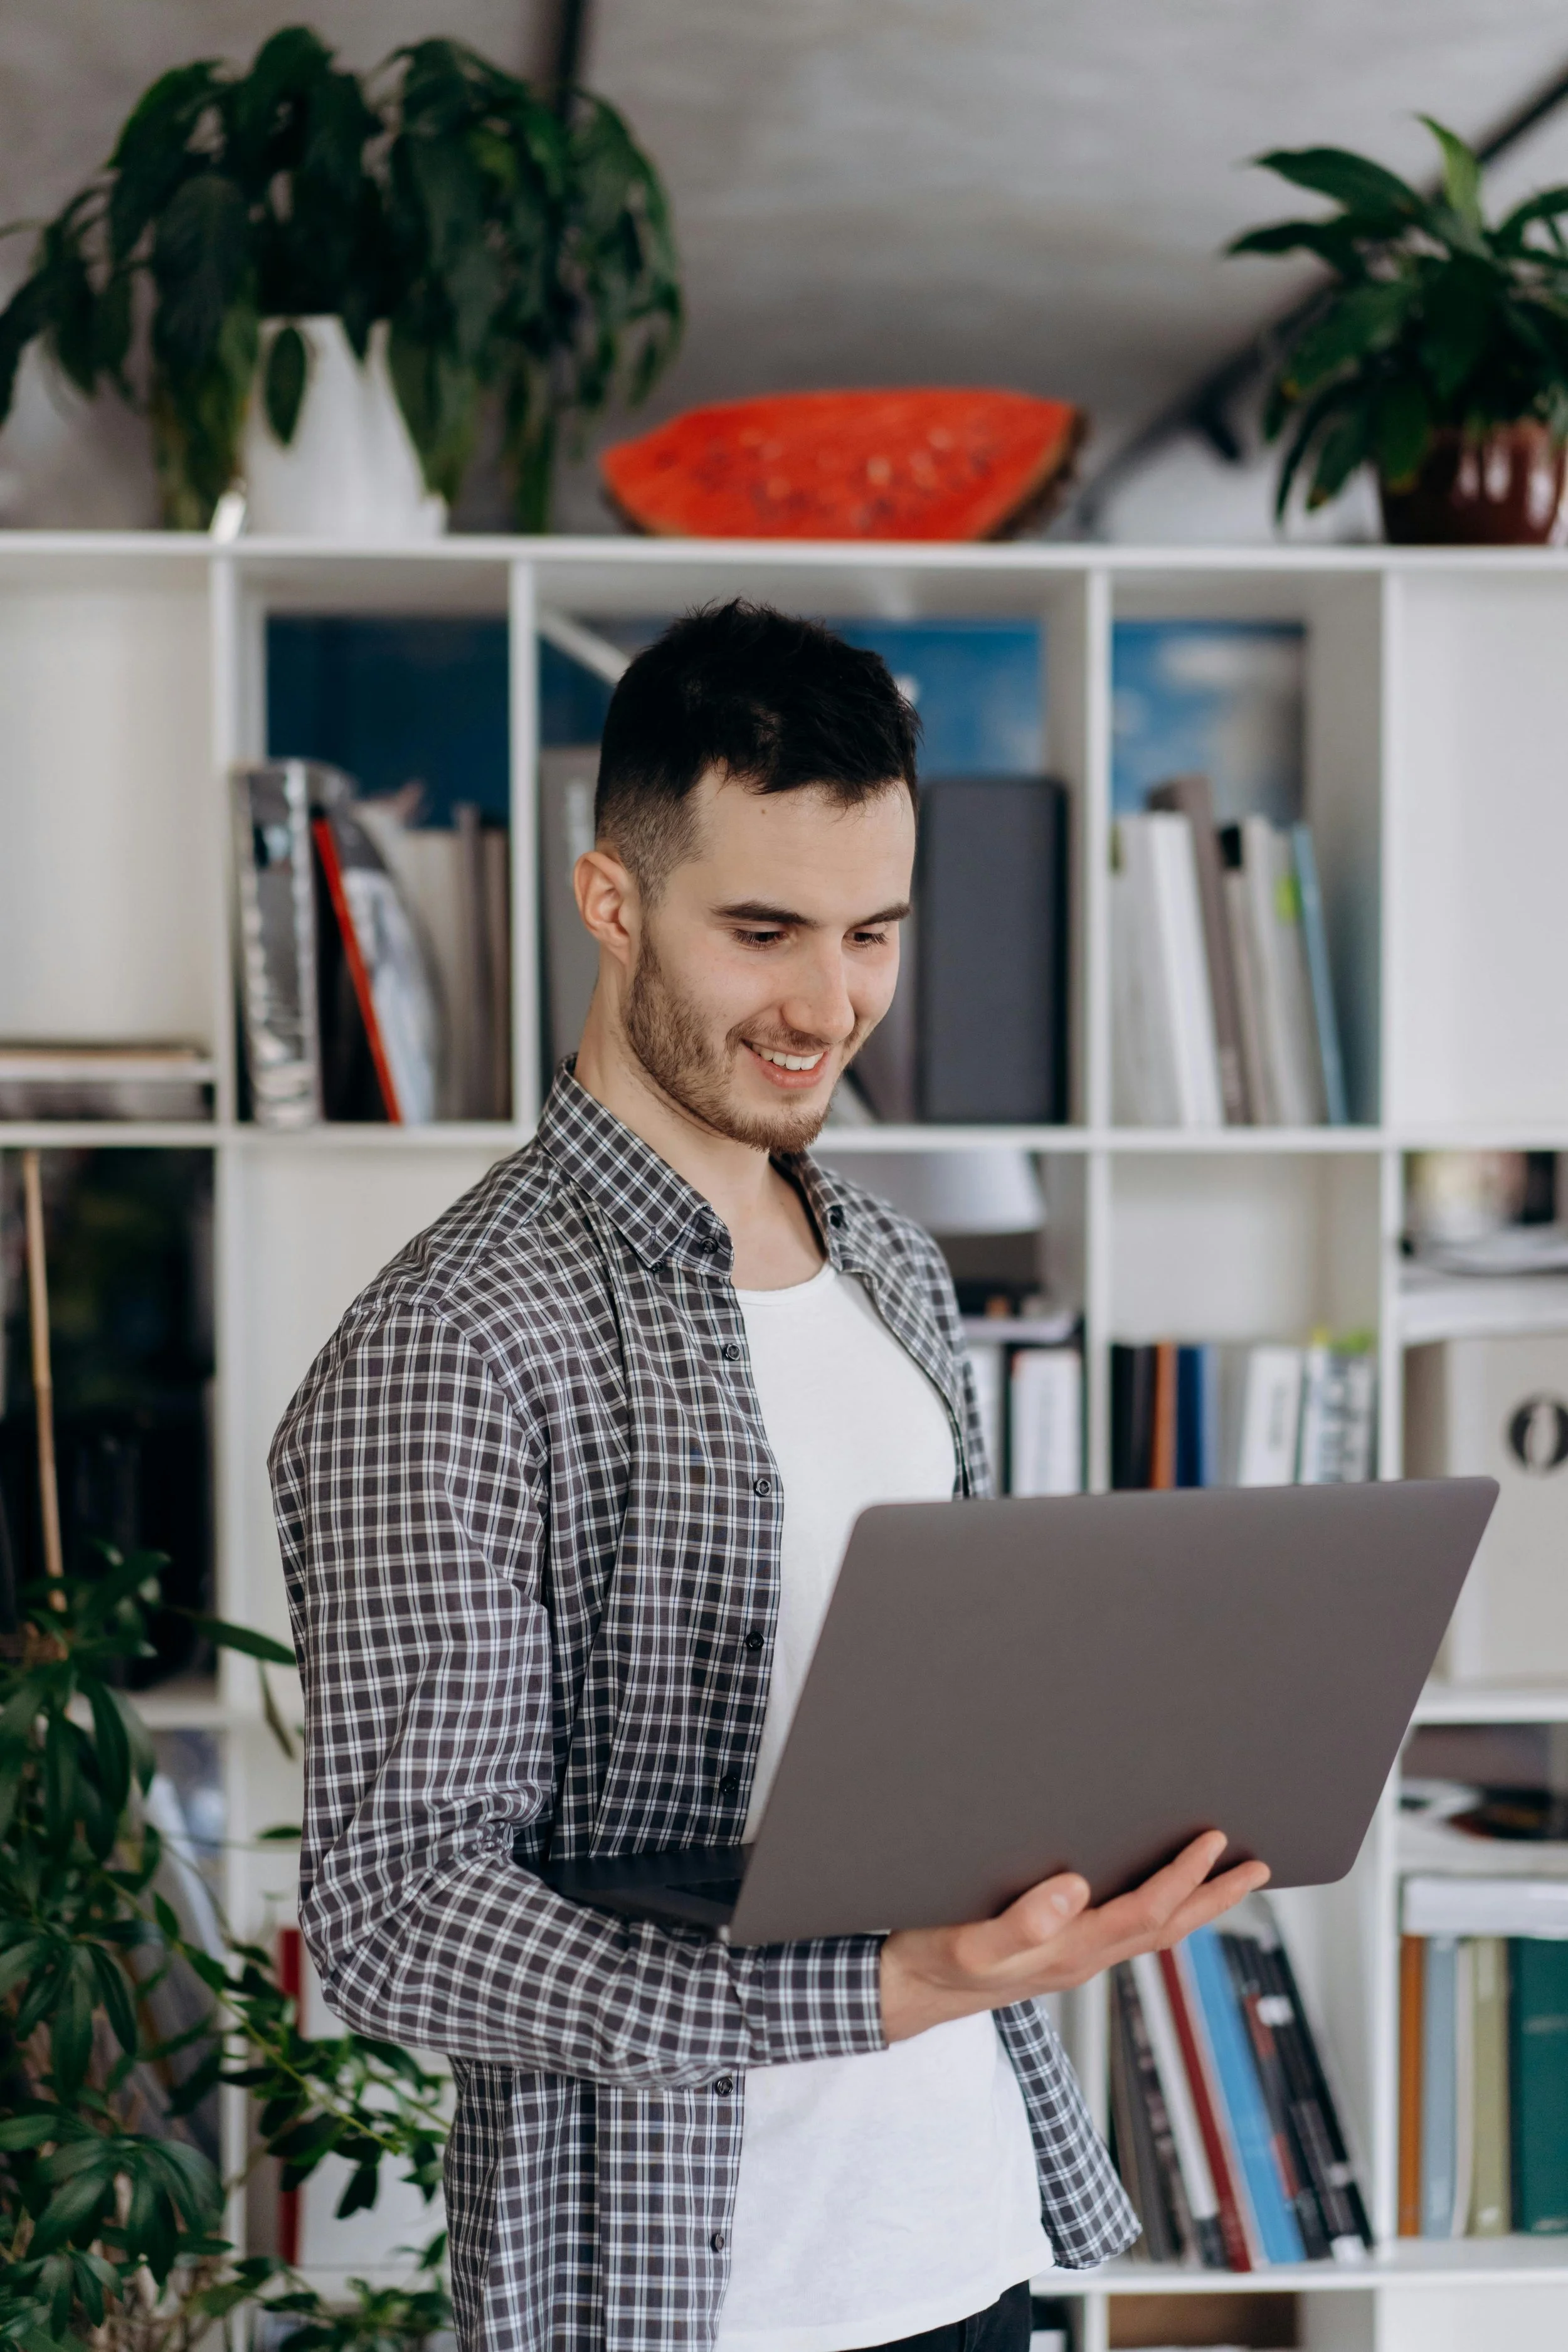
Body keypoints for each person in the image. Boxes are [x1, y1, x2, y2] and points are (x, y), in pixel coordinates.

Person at [272, 601, 1269, 2352]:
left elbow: (926, 1732)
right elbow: (400, 1918)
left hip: (972, 2230)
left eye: (873, 931)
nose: (829, 1003)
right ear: (609, 902)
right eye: (762, 930)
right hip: (692, 2292)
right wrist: (879, 1986)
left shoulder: (892, 1260)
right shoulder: (455, 1339)